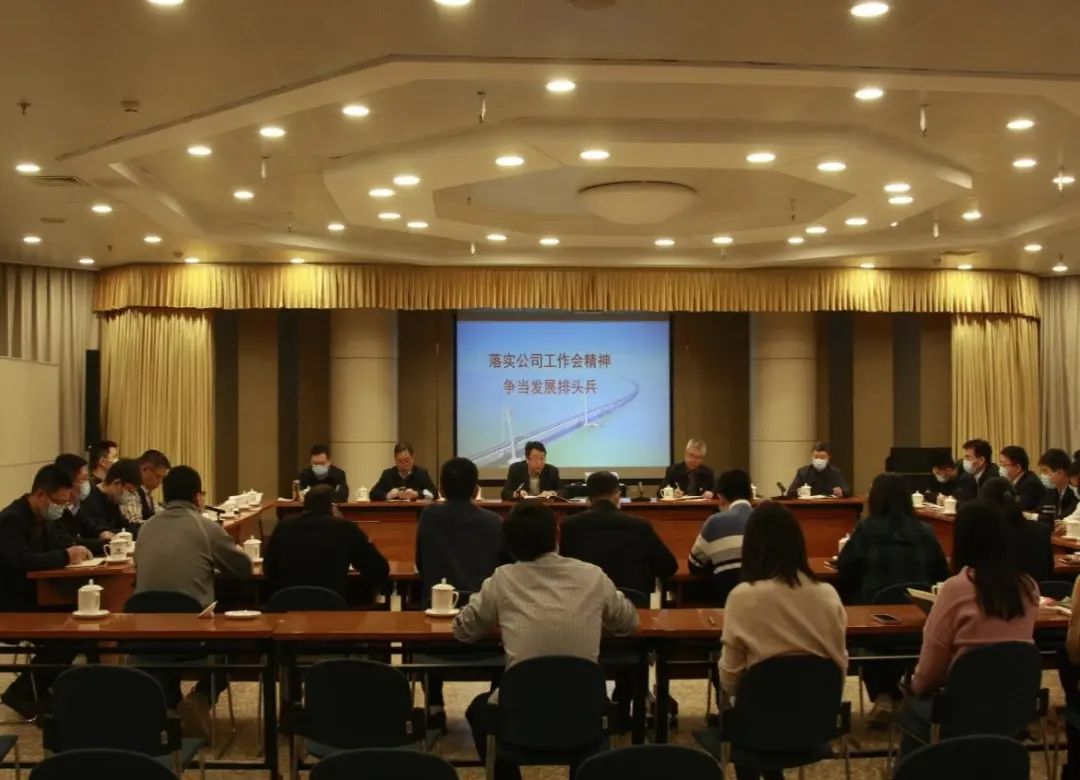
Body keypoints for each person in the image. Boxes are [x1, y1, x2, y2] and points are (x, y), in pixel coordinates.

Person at [454, 502, 639, 780]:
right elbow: (629, 622)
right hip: (584, 709)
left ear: (510, 544)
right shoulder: (592, 575)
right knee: (585, 711)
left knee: (478, 710)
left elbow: (464, 630)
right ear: (556, 535)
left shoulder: (502, 579)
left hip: (521, 712)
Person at [898, 500, 1039, 756]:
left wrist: (915, 688)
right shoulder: (1029, 588)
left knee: (911, 705)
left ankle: (910, 770)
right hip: (1014, 704)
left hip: (960, 707)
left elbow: (930, 671)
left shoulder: (957, 588)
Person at [719, 502, 847, 780]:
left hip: (757, 727)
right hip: (816, 721)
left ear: (751, 547)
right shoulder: (828, 594)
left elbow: (730, 678)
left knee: (748, 708)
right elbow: (840, 664)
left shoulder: (743, 596)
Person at [133, 465, 253, 737]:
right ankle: (201, 698)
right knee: (240, 636)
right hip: (191, 635)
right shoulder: (206, 527)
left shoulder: (146, 529)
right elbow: (243, 569)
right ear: (197, 497)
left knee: (165, 627)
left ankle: (172, 703)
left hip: (144, 634)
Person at [837, 473, 948, 725]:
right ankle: (899, 693)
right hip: (920, 625)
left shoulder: (867, 529)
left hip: (875, 626)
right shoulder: (925, 531)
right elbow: (942, 574)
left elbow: (845, 567)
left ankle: (884, 694)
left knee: (863, 624)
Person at [416, 457, 506, 726]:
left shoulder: (429, 516)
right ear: (475, 489)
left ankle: (434, 705)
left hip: (436, 632)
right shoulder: (494, 523)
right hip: (486, 633)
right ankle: (493, 704)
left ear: (441, 488)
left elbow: (421, 563)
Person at [0, 465, 92, 719]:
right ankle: (21, 691)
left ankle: (43, 689)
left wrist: (78, 549)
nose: (60, 508)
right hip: (13, 602)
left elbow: (59, 545)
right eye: (58, 502)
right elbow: (21, 561)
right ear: (41, 495)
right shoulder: (12, 520)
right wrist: (65, 556)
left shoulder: (43, 519)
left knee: (83, 622)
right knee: (68, 631)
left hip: (40, 595)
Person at [561, 470, 677, 599]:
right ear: (617, 495)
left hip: (585, 601)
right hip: (633, 601)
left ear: (588, 498)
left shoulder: (570, 526)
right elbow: (668, 566)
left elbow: (564, 567)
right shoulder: (640, 525)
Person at [263, 484, 389, 598]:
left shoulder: (284, 525)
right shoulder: (345, 527)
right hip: (332, 602)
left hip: (288, 602)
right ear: (333, 507)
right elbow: (378, 568)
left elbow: (269, 567)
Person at [688, 469, 755, 604]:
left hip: (728, 603)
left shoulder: (715, 522)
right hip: (765, 604)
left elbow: (694, 565)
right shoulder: (768, 519)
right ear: (751, 495)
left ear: (721, 498)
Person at [980, 476, 1053, 582]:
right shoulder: (1042, 530)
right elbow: (1049, 569)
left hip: (999, 589)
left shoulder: (987, 533)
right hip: (1037, 589)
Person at [52, 453, 105, 553]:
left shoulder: (75, 505)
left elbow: (88, 528)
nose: (87, 484)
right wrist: (107, 544)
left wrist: (103, 533)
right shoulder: (54, 510)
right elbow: (69, 542)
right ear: (68, 481)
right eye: (83, 479)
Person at [80, 458, 141, 538]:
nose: (129, 496)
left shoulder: (112, 501)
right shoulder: (90, 500)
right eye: (128, 490)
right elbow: (101, 531)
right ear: (117, 483)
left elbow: (128, 528)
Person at [120, 449, 170, 528]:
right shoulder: (131, 489)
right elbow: (134, 521)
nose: (160, 482)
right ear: (144, 469)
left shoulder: (146, 493)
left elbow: (159, 512)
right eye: (158, 476)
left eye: (162, 478)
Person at [370, 442, 436, 501]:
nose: (403, 464)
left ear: (413, 458)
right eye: (399, 461)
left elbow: (434, 493)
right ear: (395, 460)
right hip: (393, 510)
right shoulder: (388, 474)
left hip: (416, 510)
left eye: (406, 461)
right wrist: (388, 495)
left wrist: (417, 494)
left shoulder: (421, 473)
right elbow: (373, 494)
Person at [785, 442, 850, 498]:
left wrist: (841, 492)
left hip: (829, 506)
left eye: (822, 457)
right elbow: (790, 492)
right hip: (808, 506)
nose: (819, 460)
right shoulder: (803, 472)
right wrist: (800, 491)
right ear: (812, 456)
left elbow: (847, 490)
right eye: (816, 457)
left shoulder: (835, 472)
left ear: (828, 457)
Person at [1038, 448, 1079, 525]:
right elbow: (1040, 510)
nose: (1043, 476)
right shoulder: (1051, 491)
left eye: (1045, 471)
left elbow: (1065, 517)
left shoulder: (1075, 491)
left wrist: (1034, 517)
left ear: (1060, 472)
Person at [997, 445, 1043, 513]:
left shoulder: (1031, 485)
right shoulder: (1009, 481)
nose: (1001, 469)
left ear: (1018, 468)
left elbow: (1021, 510)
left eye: (1004, 465)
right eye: (1000, 464)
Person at [954, 438, 999, 503]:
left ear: (981, 460)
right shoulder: (966, 476)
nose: (964, 461)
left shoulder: (993, 477)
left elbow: (986, 505)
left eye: (968, 457)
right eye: (965, 457)